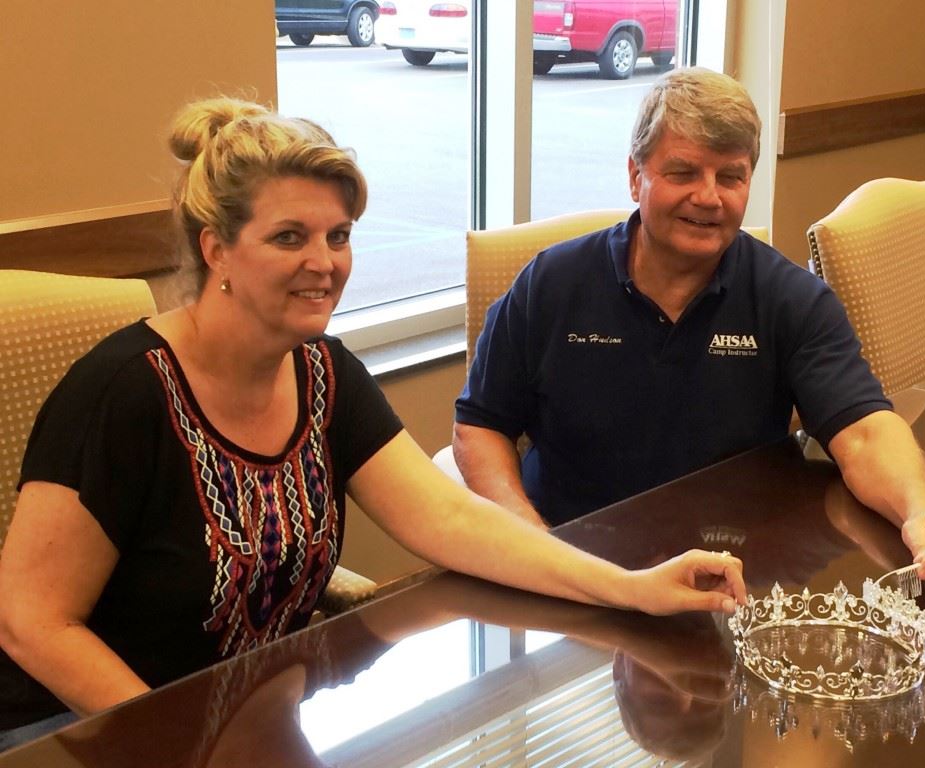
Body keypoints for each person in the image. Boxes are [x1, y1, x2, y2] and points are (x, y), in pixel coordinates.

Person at [0, 97, 747, 743]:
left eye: (339, 235)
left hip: (250, 722)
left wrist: (632, 587)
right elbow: (31, 622)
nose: (325, 262)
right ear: (217, 249)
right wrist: (170, 743)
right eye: (289, 237)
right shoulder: (123, 395)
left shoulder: (322, 372)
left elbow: (453, 521)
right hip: (85, 730)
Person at [453, 67, 925, 595]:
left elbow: (866, 432)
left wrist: (924, 510)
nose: (709, 198)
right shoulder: (551, 284)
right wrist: (528, 539)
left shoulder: (791, 300)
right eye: (683, 173)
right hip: (571, 565)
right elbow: (480, 426)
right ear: (636, 176)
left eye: (730, 177)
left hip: (731, 576)